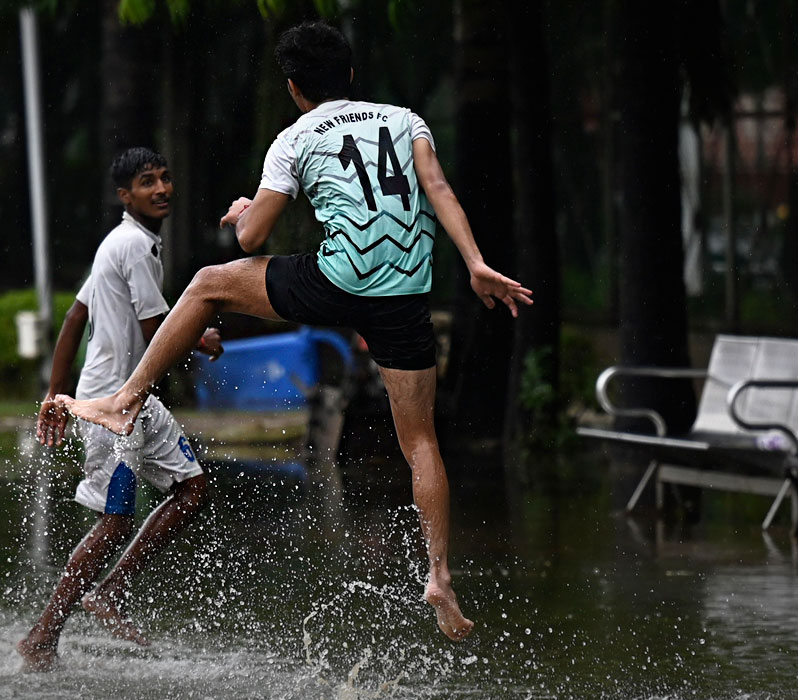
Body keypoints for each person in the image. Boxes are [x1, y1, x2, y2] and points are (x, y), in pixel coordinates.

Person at [56, 22, 533, 643]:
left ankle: (126, 399)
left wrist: (242, 213)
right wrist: (474, 263)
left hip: (340, 279)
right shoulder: (405, 119)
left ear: (293, 88)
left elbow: (252, 239)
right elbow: (437, 188)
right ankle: (439, 574)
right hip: (404, 293)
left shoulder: (296, 136)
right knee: (421, 442)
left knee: (207, 283)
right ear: (351, 75)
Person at [17, 147, 223, 671]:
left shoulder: (127, 242)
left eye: (165, 177)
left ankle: (110, 591)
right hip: (113, 403)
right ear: (125, 196)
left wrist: (56, 392)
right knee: (113, 522)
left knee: (192, 489)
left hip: (135, 397)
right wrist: (201, 336)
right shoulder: (131, 244)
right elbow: (158, 329)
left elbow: (74, 317)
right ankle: (43, 635)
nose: (162, 188)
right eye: (147, 181)